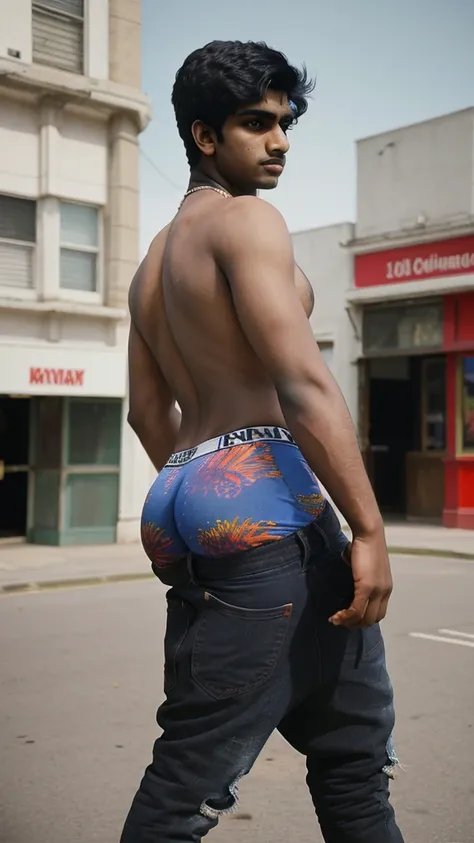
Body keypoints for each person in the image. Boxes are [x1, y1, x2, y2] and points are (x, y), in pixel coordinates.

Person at [121, 39, 404, 843]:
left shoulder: (149, 267)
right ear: (204, 136)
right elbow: (301, 381)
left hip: (184, 483)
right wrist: (373, 530)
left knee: (344, 742)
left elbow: (148, 414)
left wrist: (201, 493)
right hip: (263, 490)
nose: (279, 141)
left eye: (285, 123)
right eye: (256, 124)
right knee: (191, 783)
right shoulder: (248, 221)